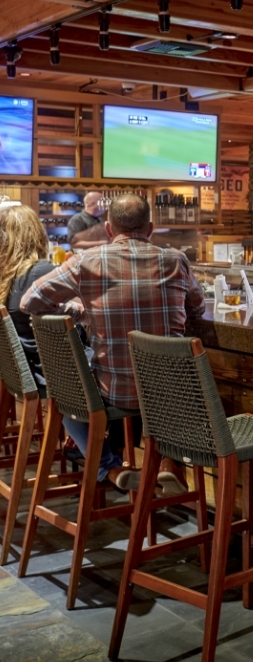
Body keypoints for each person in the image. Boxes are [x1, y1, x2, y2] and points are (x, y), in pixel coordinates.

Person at [22, 193, 206, 494]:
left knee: (68, 399)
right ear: (150, 229)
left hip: (114, 393)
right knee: (173, 385)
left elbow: (31, 301)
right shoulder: (176, 260)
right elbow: (197, 309)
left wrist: (79, 311)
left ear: (108, 229)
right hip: (171, 397)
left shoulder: (87, 261)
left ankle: (110, 466)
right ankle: (171, 462)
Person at [0, 205, 55, 385]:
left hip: (18, 372)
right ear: (37, 233)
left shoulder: (7, 275)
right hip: (50, 373)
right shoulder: (41, 272)